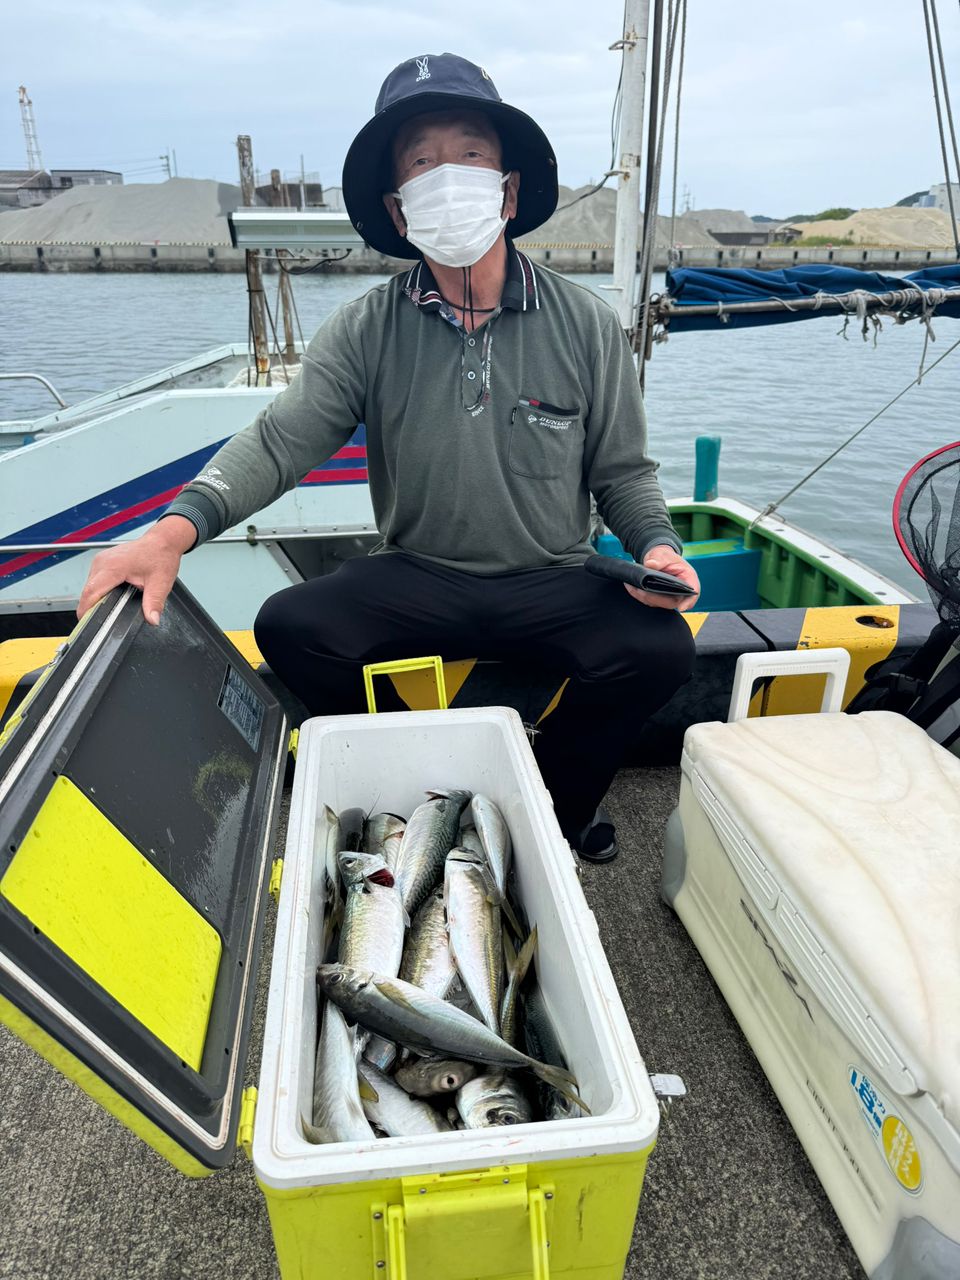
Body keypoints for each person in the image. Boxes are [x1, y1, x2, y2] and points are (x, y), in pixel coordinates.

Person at [77, 52, 699, 863]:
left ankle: (552, 809)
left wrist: (657, 547)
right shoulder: (368, 328)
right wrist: (172, 532)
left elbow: (623, 473)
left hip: (553, 575)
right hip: (419, 573)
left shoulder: (582, 324)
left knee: (660, 650)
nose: (449, 176)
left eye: (471, 154)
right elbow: (280, 439)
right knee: (292, 627)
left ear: (508, 191)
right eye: (422, 160)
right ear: (399, 211)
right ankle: (417, 794)